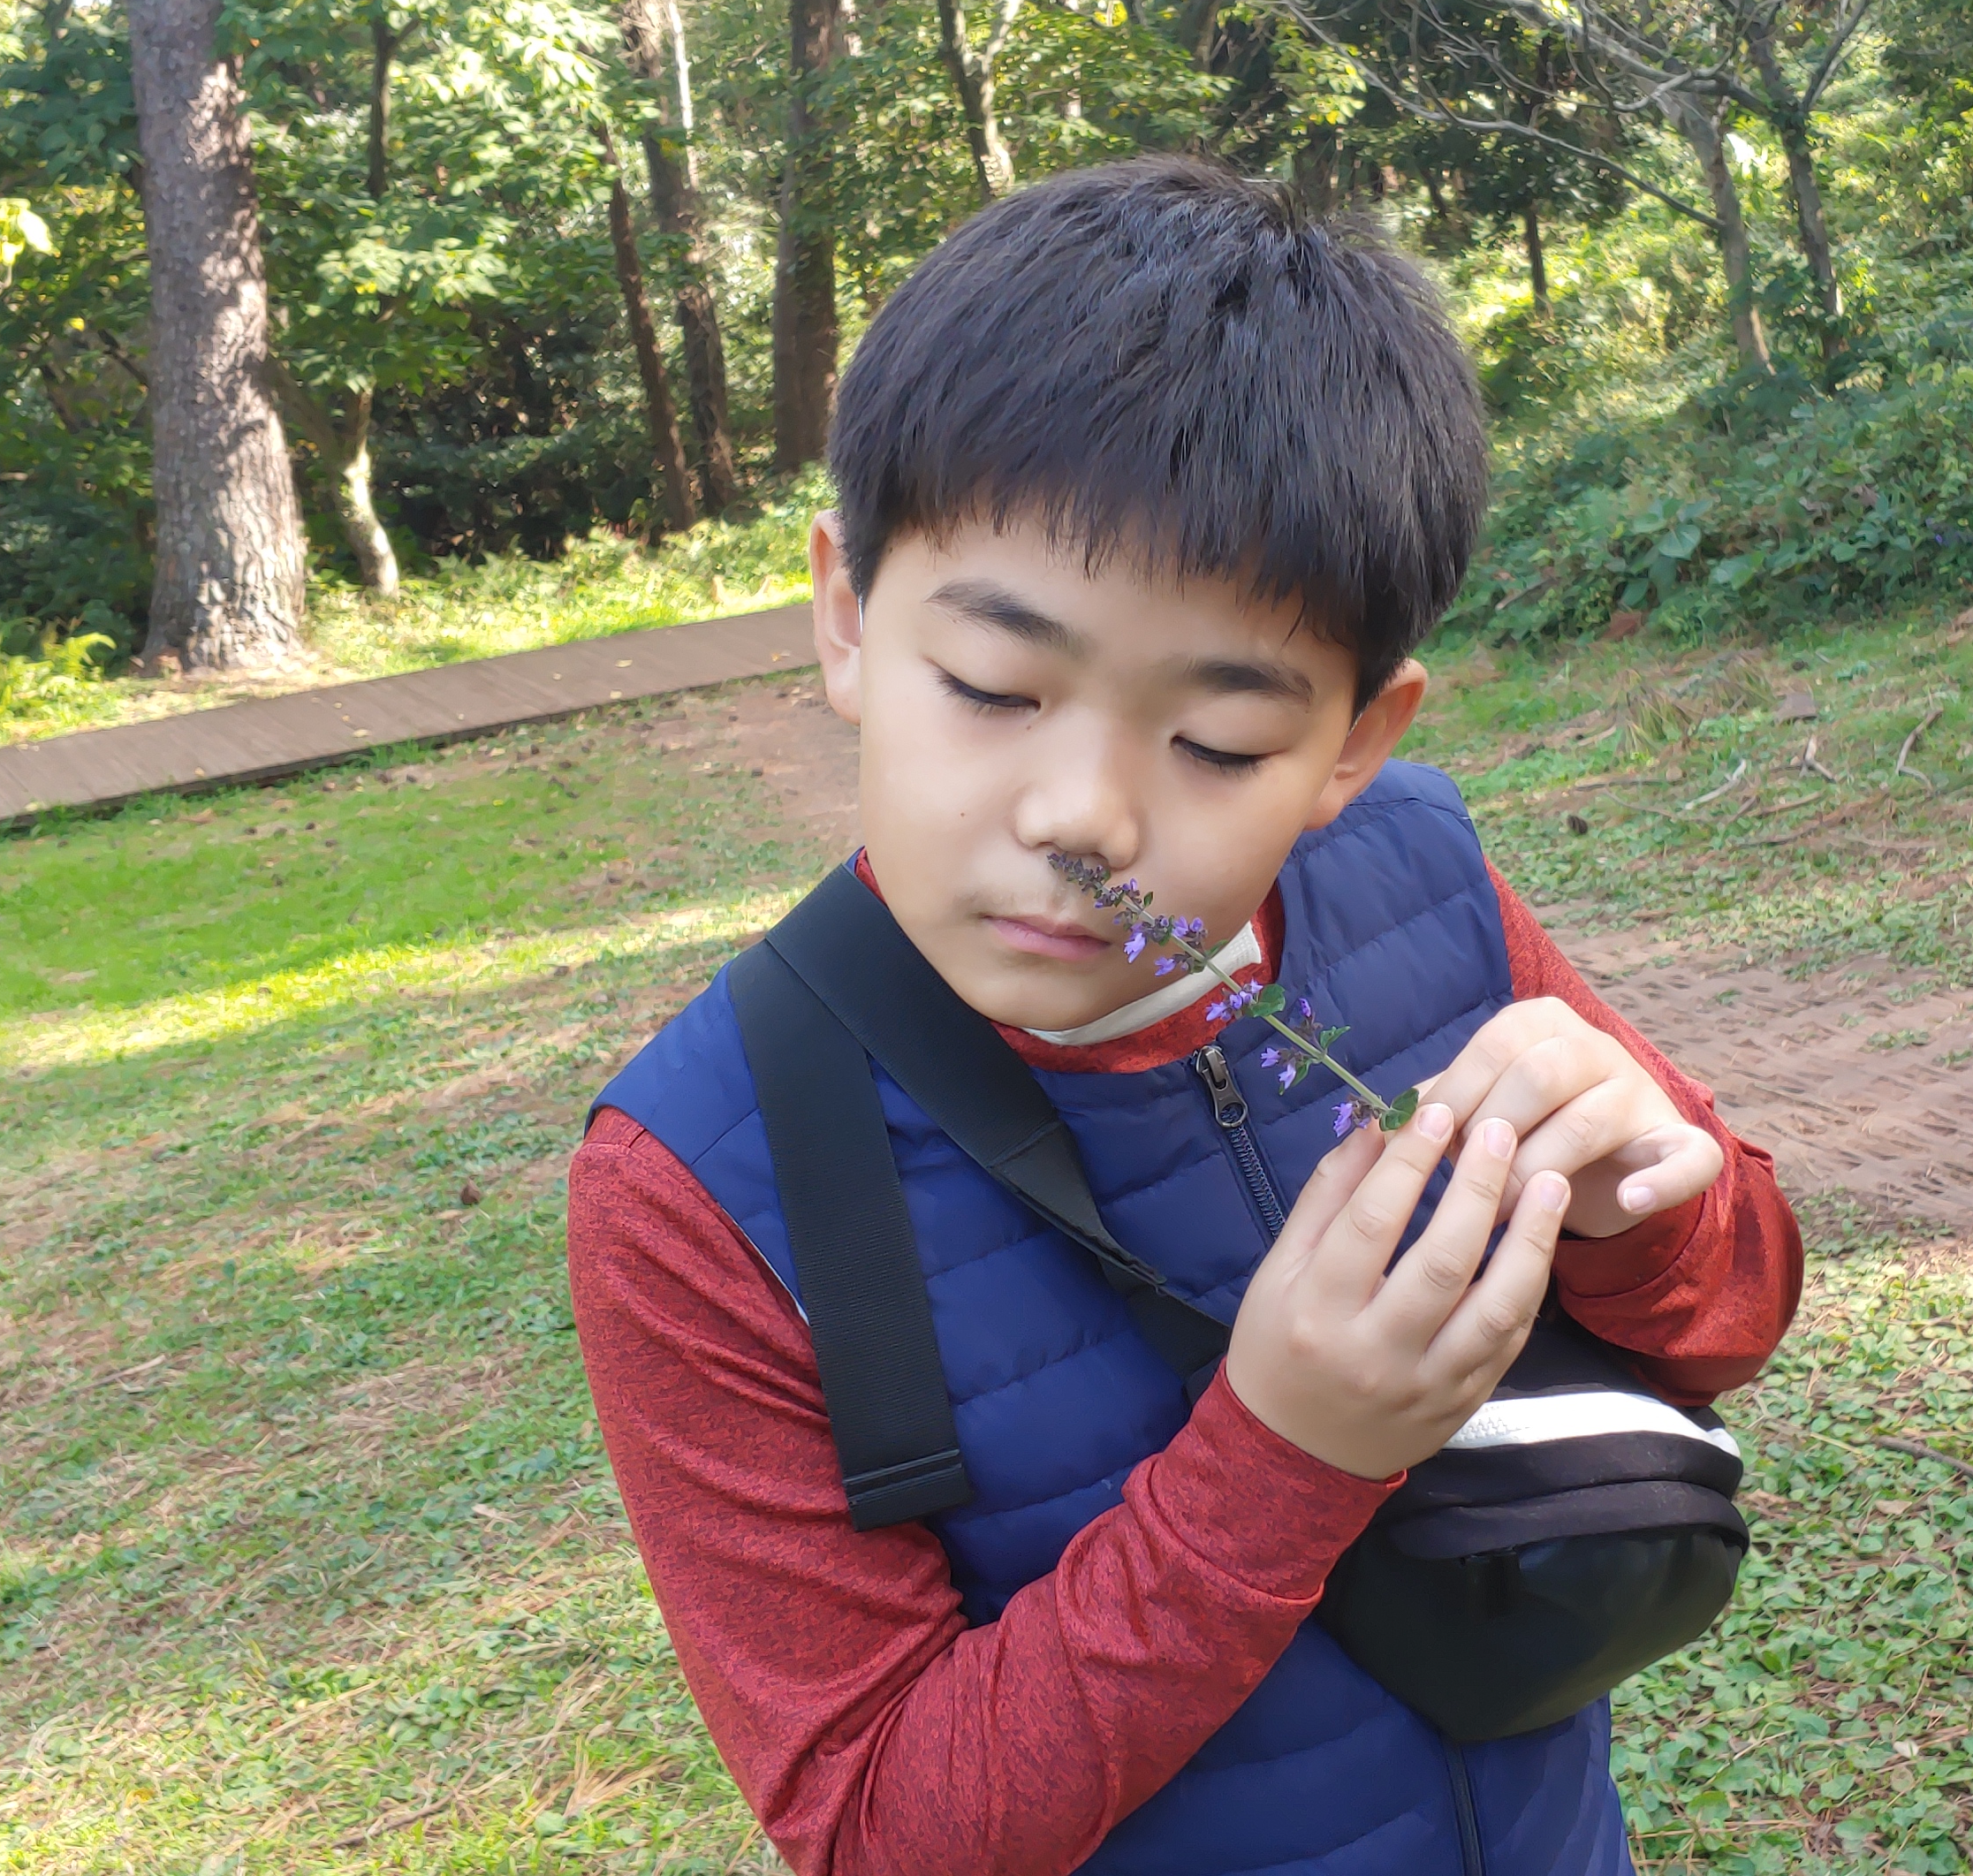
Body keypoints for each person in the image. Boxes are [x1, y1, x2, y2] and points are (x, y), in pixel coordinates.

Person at [566, 154, 1802, 1876]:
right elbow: (871, 1826)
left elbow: (1730, 1309)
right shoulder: (700, 1184)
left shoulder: (1419, 880)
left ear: (1353, 744)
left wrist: (1651, 1206)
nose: (1085, 818)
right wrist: (1284, 1456)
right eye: (993, 687)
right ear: (846, 615)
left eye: (1219, 743)